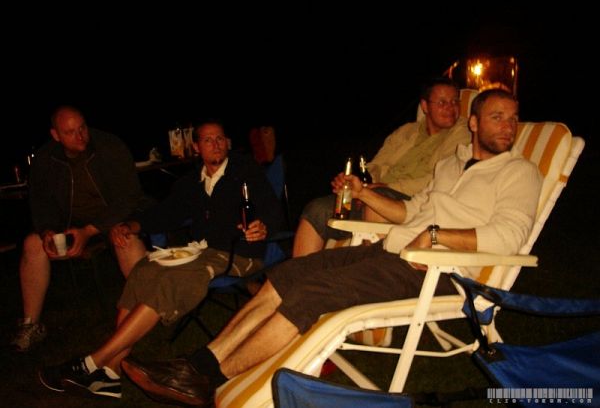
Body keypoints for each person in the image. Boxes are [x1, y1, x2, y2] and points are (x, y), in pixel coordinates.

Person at [119, 89, 543, 407]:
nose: (508, 127)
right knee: (286, 274)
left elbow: (510, 236)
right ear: (474, 123)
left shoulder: (519, 172)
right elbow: (412, 210)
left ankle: (209, 380)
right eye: (497, 117)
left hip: (439, 271)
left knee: (310, 294)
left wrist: (436, 237)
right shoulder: (452, 163)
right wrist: (363, 192)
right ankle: (198, 364)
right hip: (394, 251)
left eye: (513, 118)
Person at [38, 120, 285, 400]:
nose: (215, 144)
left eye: (220, 139)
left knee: (172, 279)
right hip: (202, 251)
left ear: (227, 142)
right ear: (197, 147)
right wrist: (131, 226)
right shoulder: (192, 182)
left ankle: (91, 363)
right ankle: (111, 372)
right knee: (145, 269)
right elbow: (166, 212)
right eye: (208, 140)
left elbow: (272, 209)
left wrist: (263, 226)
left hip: (238, 253)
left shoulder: (245, 172)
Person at [11, 105, 152, 352]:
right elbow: (41, 203)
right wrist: (47, 230)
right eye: (70, 132)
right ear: (56, 135)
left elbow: (129, 197)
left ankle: (148, 312)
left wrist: (90, 231)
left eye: (82, 128)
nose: (80, 136)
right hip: (71, 226)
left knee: (126, 239)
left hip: (112, 220)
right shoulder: (46, 158)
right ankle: (30, 324)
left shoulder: (109, 146)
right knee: (33, 244)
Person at [293, 77, 471, 257]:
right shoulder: (406, 131)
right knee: (316, 209)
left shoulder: (462, 135)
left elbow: (439, 178)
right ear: (425, 106)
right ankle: (297, 274)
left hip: (411, 202)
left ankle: (365, 267)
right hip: (375, 192)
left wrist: (380, 189)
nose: (450, 107)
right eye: (442, 102)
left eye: (455, 101)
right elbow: (376, 165)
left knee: (377, 200)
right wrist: (360, 184)